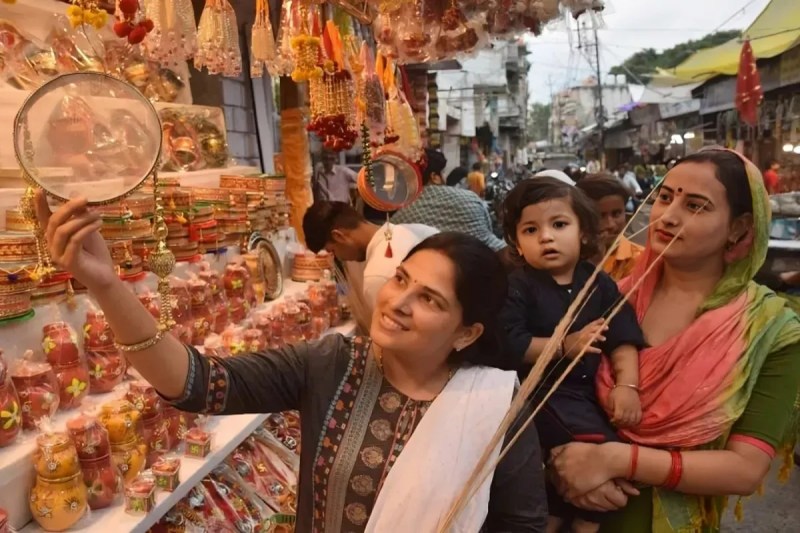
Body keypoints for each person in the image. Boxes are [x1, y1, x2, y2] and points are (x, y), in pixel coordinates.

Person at [34, 194, 549, 532]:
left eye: (430, 299)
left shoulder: (493, 407)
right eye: (400, 280)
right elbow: (195, 383)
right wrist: (104, 284)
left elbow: (521, 525)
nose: (399, 302)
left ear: (467, 332)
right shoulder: (331, 364)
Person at [548, 148, 800, 533]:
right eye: (665, 197)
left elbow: (745, 469)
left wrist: (615, 460)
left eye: (696, 206)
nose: (667, 216)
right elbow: (548, 400)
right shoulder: (604, 298)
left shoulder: (771, 331)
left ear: (739, 227)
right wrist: (561, 467)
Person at [499, 178, 645, 533]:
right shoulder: (518, 285)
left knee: (562, 491)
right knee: (602, 451)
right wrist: (563, 345)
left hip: (584, 397)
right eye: (530, 229)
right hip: (538, 398)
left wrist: (628, 385)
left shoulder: (597, 282)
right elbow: (508, 344)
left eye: (559, 224)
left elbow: (622, 334)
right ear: (517, 242)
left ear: (583, 232)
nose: (546, 237)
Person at [302, 200, 438, 310]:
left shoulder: (377, 275)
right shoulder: (421, 229)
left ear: (338, 236)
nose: (339, 258)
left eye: (332, 251)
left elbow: (395, 337)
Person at [391, 148, 507, 252]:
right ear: (435, 177)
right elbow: (490, 240)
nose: (444, 177)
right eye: (443, 173)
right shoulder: (469, 199)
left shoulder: (398, 217)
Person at [576, 175, 644, 281]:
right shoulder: (568, 255)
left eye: (616, 214)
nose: (611, 225)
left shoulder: (640, 259)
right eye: (600, 216)